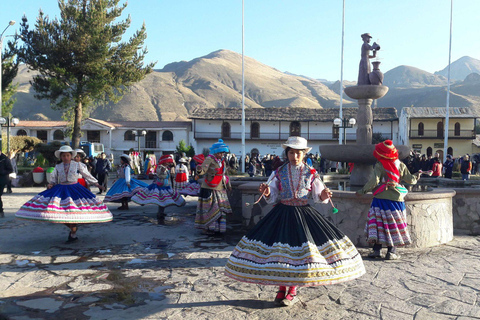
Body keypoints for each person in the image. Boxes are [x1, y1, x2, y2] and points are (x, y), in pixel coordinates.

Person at [225, 136, 365, 307]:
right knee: (281, 254)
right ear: (287, 153)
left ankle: (292, 289)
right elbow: (273, 195)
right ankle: (281, 288)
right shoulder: (279, 172)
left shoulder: (311, 173)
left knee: (298, 257)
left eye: (298, 153)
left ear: (304, 154)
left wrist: (325, 195)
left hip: (303, 215)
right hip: (282, 214)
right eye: (291, 152)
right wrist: (267, 192)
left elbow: (318, 195)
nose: (295, 156)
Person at [15, 146, 112, 242]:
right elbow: (54, 177)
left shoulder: (77, 165)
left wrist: (97, 184)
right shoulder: (58, 166)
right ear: (61, 157)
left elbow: (87, 175)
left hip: (75, 189)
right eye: (64, 156)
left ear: (71, 156)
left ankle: (73, 231)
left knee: (74, 210)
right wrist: (51, 184)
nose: (66, 157)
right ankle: (72, 228)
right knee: (59, 212)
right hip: (61, 189)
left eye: (67, 155)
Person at [356, 140, 420, 260]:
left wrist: (362, 191)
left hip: (380, 198)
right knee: (393, 225)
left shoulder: (380, 165)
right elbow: (410, 180)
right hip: (396, 199)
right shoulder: (401, 165)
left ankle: (376, 250)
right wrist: (417, 176)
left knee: (379, 224)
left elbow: (374, 181)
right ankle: (392, 251)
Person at [132, 154, 185, 222]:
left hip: (165, 186)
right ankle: (160, 213)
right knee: (161, 200)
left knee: (163, 200)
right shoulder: (160, 167)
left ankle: (161, 212)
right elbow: (159, 174)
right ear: (164, 162)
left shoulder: (166, 168)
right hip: (160, 186)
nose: (169, 163)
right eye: (168, 162)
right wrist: (163, 172)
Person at [195, 139, 232, 235]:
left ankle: (220, 228)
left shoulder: (222, 161)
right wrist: (199, 170)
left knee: (221, 210)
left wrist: (228, 185)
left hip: (220, 187)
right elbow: (203, 169)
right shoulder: (209, 159)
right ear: (216, 152)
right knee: (210, 208)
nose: (222, 154)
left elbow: (225, 174)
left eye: (223, 153)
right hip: (209, 187)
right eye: (220, 153)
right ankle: (209, 227)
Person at [0, 150, 13, 217]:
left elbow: (10, 169)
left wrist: (2, 172)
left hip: (2, 179)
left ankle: (1, 211)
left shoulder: (4, 159)